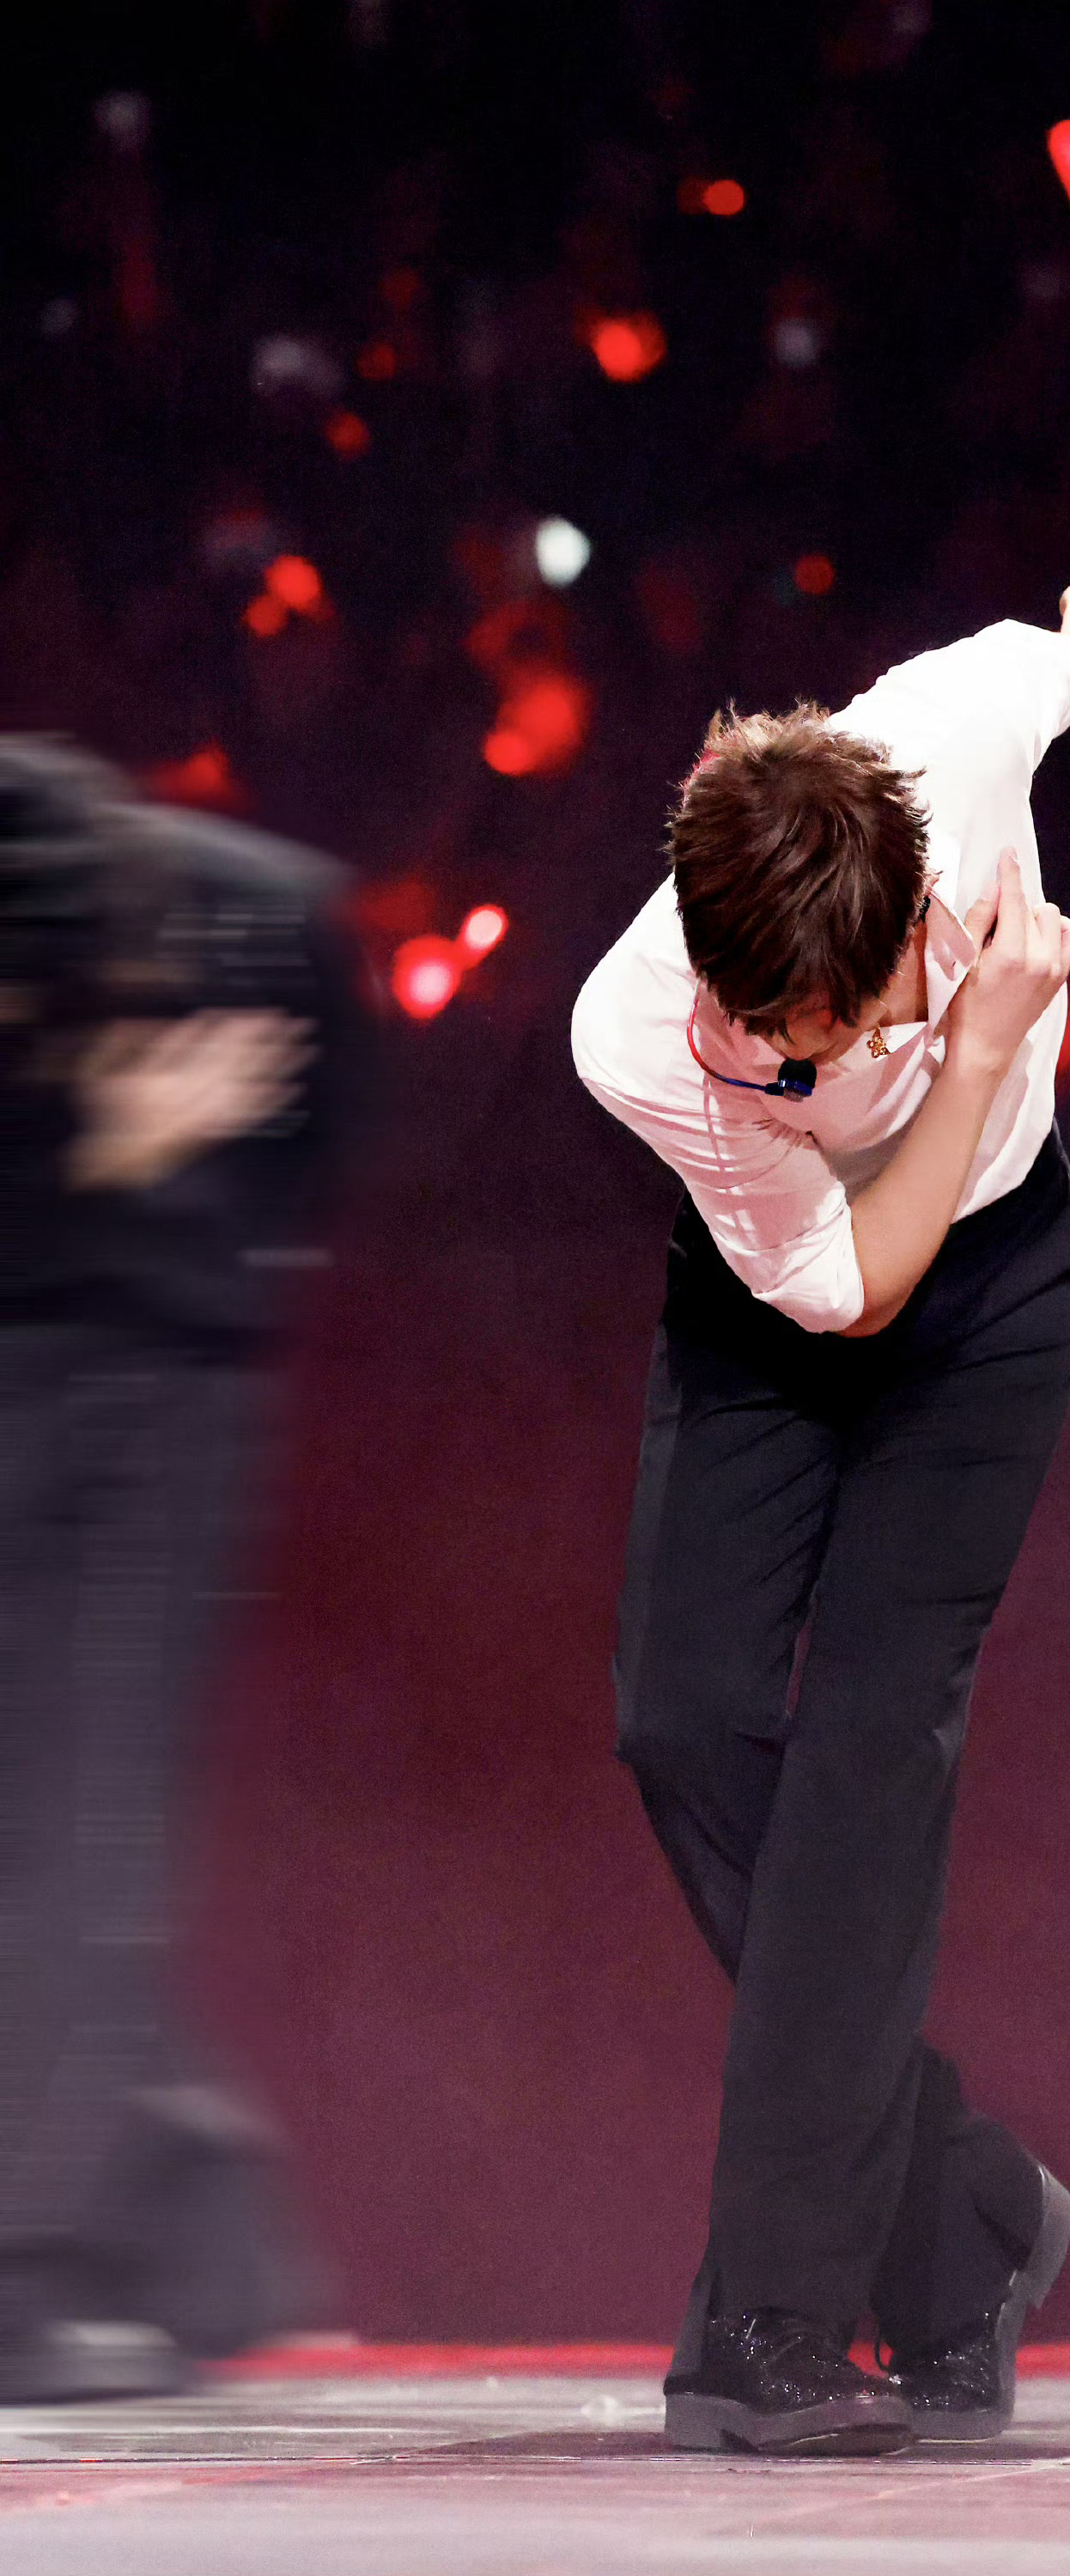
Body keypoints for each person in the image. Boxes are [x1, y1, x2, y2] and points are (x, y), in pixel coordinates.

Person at [571, 588, 1070, 2455]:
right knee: (680, 1720)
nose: (819, 1062)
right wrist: (976, 1050)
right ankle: (965, 2215)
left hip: (995, 1297)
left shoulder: (954, 728)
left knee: (863, 1758)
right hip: (792, 1300)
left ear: (919, 900)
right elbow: (841, 1288)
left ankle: (767, 2322)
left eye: (856, 1019)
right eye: (783, 1043)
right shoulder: (635, 1031)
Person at [0, 739, 366, 2402]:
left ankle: (43, 2260)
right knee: (49, 1835)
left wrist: (193, 1222)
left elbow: (332, 1137)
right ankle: (188, 2236)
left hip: (156, 1388)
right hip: (54, 1350)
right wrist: (94, 1144)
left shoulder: (258, 919)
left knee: (82, 1827)